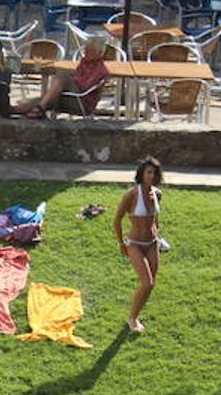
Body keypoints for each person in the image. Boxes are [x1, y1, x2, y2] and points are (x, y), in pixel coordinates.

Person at [113, 156, 164, 334]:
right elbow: (117, 220)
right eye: (149, 172)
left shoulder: (157, 194)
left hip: (152, 243)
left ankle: (135, 313)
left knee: (151, 284)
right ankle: (132, 318)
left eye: (155, 173)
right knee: (147, 282)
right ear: (141, 173)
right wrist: (121, 243)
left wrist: (158, 235)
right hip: (134, 243)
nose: (152, 175)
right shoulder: (131, 194)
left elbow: (155, 218)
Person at [13, 35, 109, 118]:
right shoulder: (85, 62)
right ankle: (13, 109)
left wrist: (71, 79)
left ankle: (40, 107)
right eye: (86, 49)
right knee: (44, 99)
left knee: (63, 74)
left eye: (89, 50)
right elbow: (77, 76)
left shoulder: (100, 70)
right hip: (70, 96)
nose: (85, 52)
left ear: (99, 53)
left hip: (81, 103)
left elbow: (84, 87)